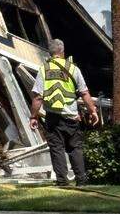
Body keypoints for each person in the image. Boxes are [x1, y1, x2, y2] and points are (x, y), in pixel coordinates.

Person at [29, 38, 100, 186]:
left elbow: (37, 97)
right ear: (62, 52)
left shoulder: (44, 69)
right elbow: (84, 93)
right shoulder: (74, 69)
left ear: (50, 53)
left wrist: (33, 116)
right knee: (75, 148)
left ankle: (62, 182)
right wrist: (93, 111)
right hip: (72, 116)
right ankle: (82, 180)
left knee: (57, 149)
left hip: (53, 118)